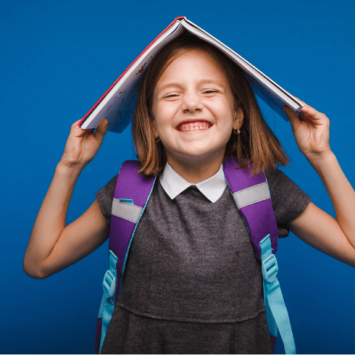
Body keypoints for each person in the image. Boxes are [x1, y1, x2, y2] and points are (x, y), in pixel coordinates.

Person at [24, 34, 355, 354]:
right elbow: (40, 263)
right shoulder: (126, 193)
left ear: (237, 115)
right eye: (171, 95)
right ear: (152, 123)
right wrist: (69, 167)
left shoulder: (264, 188)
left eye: (209, 90)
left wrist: (322, 157)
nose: (192, 104)